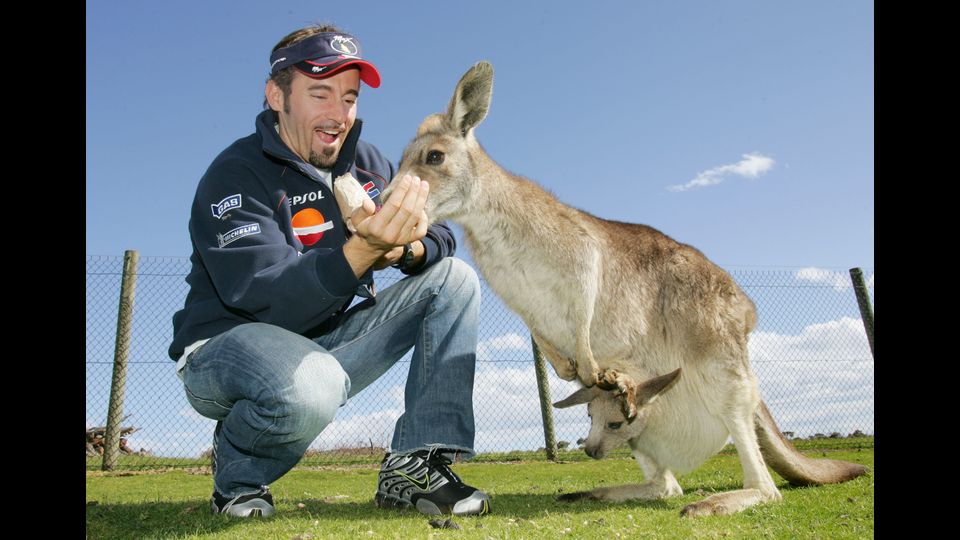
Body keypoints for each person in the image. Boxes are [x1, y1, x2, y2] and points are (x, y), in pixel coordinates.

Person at [168, 24, 490, 518]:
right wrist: (366, 249)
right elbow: (264, 296)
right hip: (226, 347)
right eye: (320, 93)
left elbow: (437, 232)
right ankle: (239, 471)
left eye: (349, 97)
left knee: (454, 281)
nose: (339, 114)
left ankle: (416, 463)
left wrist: (403, 252)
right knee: (307, 386)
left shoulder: (366, 162)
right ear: (277, 95)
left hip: (320, 342)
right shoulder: (236, 173)